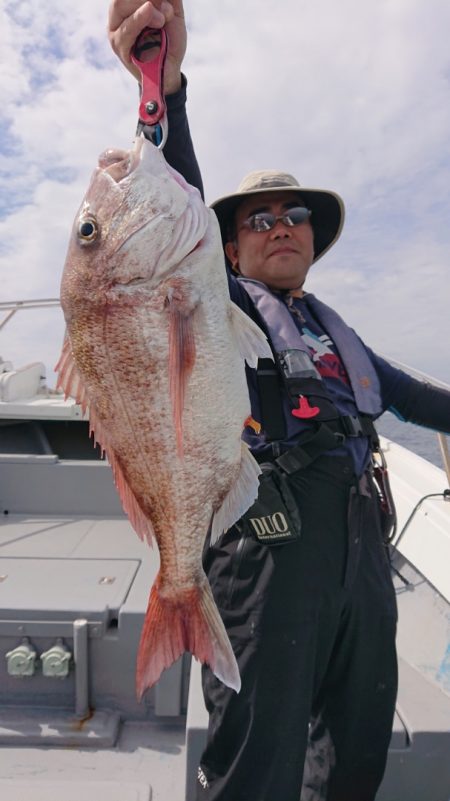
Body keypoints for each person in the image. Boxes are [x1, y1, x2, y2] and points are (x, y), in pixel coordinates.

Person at [108, 4, 450, 800]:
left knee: (356, 746)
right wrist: (166, 90)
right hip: (266, 555)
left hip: (364, 557)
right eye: (260, 220)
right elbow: (178, 201)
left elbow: (422, 401)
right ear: (228, 249)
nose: (282, 227)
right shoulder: (215, 303)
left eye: (295, 217)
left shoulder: (340, 337)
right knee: (256, 764)